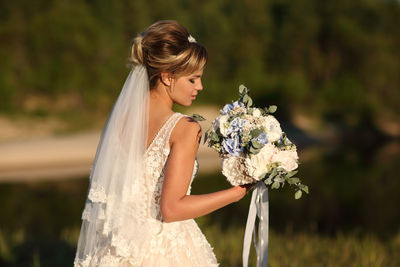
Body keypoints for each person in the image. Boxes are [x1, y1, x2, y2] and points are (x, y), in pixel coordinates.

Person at [74, 20, 251, 267]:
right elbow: (171, 209)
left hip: (118, 249)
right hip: (165, 252)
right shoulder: (185, 128)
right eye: (193, 79)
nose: (200, 86)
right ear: (167, 77)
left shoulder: (122, 120)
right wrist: (236, 193)